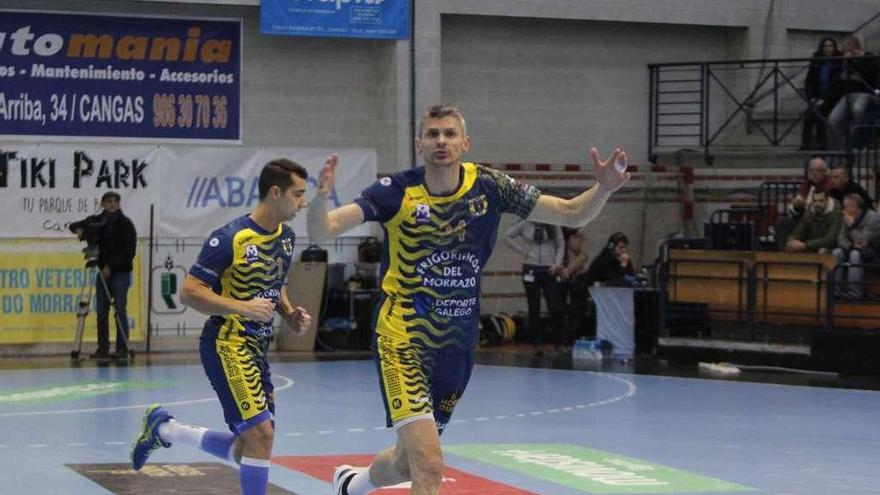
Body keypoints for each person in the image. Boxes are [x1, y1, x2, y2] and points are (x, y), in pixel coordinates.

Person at [307, 104, 629, 495]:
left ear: (465, 143)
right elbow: (324, 231)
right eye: (432, 134)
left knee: (407, 462)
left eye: (448, 134)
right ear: (419, 144)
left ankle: (351, 485)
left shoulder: (490, 187)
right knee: (430, 465)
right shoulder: (395, 192)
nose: (440, 141)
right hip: (403, 338)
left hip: (457, 343)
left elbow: (572, 213)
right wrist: (319, 201)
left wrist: (605, 188)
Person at [129, 159, 312, 495]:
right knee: (262, 437)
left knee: (249, 448)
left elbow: (276, 282)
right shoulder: (230, 238)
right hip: (227, 345)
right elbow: (190, 292)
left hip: (257, 349)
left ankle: (165, 429)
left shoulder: (285, 237)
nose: (304, 202)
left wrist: (288, 313)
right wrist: (243, 307)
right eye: (298, 194)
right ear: (275, 193)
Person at [69, 191, 137, 359]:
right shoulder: (98, 221)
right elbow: (74, 225)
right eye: (108, 201)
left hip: (120, 273)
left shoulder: (125, 224)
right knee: (101, 310)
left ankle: (122, 348)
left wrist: (110, 266)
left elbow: (129, 252)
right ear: (103, 204)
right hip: (101, 272)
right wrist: (80, 231)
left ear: (119, 204)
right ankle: (103, 348)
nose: (112, 204)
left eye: (115, 201)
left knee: (119, 309)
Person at [502, 220, 566, 356]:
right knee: (534, 307)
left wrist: (557, 263)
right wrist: (522, 250)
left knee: (555, 306)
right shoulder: (525, 224)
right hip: (530, 268)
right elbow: (506, 236)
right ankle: (537, 344)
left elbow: (561, 245)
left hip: (550, 269)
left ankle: (558, 343)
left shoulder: (553, 224)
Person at [827, 34, 880, 149]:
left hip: (865, 93)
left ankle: (862, 142)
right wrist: (846, 63)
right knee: (833, 119)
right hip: (848, 94)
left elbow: (869, 77)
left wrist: (853, 77)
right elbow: (841, 77)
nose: (843, 49)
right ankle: (841, 147)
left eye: (845, 45)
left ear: (852, 45)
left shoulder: (869, 57)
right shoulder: (847, 59)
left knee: (858, 110)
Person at [775, 156, 833, 250]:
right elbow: (794, 210)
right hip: (805, 219)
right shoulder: (806, 185)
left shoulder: (829, 185)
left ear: (825, 172)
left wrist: (807, 204)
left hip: (820, 221)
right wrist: (796, 206)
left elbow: (826, 208)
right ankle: (785, 253)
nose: (814, 173)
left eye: (818, 170)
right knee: (783, 222)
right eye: (811, 170)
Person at [832, 193, 880, 299]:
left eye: (845, 207)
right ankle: (835, 292)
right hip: (853, 247)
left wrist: (852, 226)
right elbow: (841, 238)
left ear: (854, 207)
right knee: (837, 252)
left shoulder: (873, 218)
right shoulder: (847, 217)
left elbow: (862, 241)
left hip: (873, 251)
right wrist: (850, 246)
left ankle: (855, 293)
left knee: (855, 254)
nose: (843, 210)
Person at [801, 37, 842, 150]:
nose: (827, 48)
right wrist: (812, 98)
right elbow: (809, 82)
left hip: (833, 98)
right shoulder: (817, 61)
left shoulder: (839, 61)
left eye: (830, 46)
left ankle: (821, 143)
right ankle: (805, 144)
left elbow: (837, 85)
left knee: (820, 113)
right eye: (825, 46)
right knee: (808, 115)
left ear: (834, 47)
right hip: (816, 98)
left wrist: (824, 99)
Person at [559, 229, 591, 341]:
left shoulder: (580, 255)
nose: (581, 242)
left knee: (576, 312)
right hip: (570, 282)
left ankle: (571, 336)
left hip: (575, 282)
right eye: (579, 239)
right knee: (569, 311)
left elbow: (582, 257)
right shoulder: (566, 249)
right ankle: (567, 336)